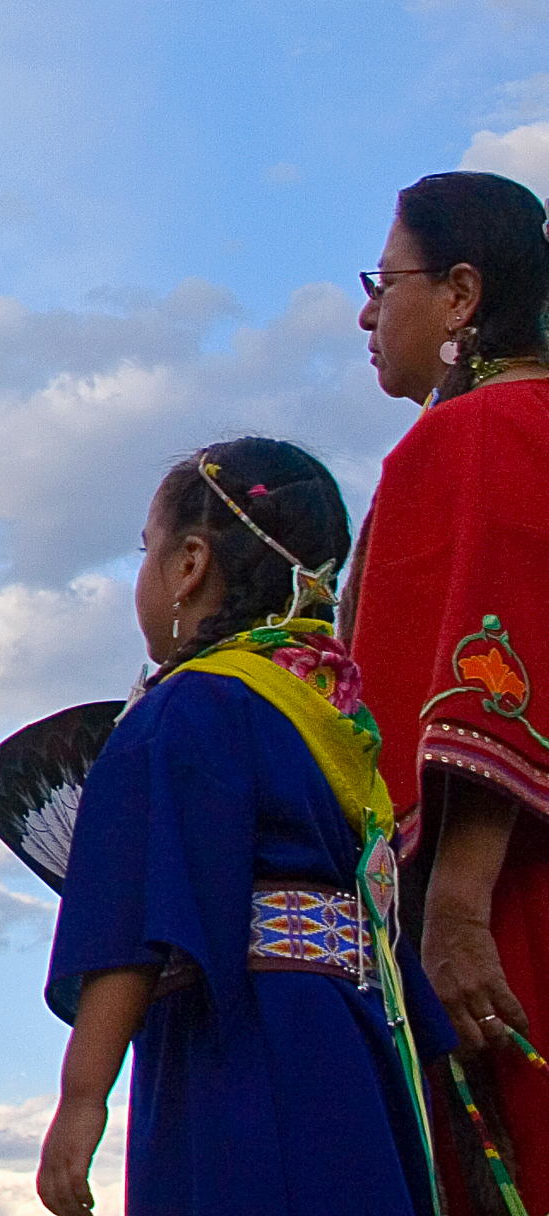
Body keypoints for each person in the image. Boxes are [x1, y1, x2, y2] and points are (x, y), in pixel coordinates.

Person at [36, 438, 446, 1216]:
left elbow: (130, 921)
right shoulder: (335, 717)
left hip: (237, 1048)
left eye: (146, 550)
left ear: (190, 565)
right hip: (353, 1042)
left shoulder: (180, 713)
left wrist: (82, 1098)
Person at [346, 169, 549, 1202]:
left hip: (512, 900)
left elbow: (498, 662)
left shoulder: (481, 431)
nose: (370, 309)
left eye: (390, 278)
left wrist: (459, 906)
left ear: (462, 294)